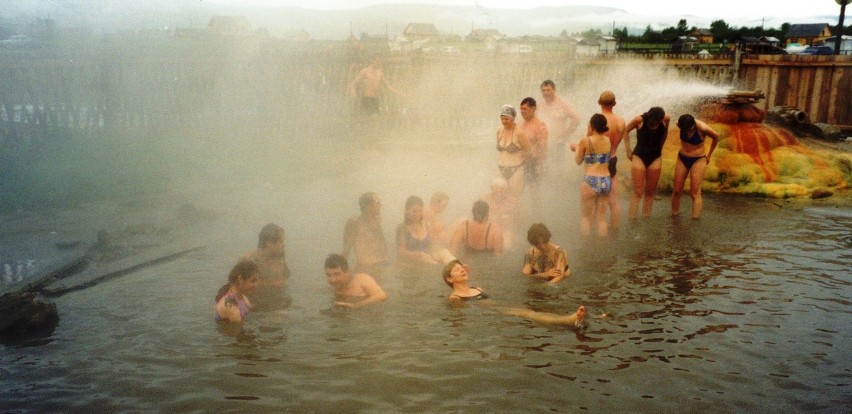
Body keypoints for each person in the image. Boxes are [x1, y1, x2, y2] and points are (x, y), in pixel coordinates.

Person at [442, 260, 587, 328]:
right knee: (529, 314)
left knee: (531, 311)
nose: (462, 270)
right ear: (449, 278)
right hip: (494, 313)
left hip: (500, 307)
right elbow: (462, 320)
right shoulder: (455, 298)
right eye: (457, 270)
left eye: (462, 268)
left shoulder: (477, 288)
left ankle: (570, 318)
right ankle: (568, 320)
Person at [623, 107, 670, 220]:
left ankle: (646, 218)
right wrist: (628, 150)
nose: (656, 123)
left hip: (655, 157)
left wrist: (661, 147)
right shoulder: (639, 120)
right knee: (638, 191)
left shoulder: (666, 119)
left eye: (658, 122)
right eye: (654, 121)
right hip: (639, 155)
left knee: (650, 192)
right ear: (649, 116)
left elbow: (665, 133)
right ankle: (632, 219)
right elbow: (625, 130)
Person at [672, 114, 720, 219]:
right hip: (682, 157)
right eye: (686, 129)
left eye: (690, 129)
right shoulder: (680, 124)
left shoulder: (702, 128)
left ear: (693, 124)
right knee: (676, 190)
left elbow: (716, 136)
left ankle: (695, 219)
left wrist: (709, 155)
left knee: (694, 192)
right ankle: (674, 216)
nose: (688, 131)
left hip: (698, 159)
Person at [574, 114, 613, 237]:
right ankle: (601, 249)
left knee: (586, 218)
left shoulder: (585, 140)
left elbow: (578, 161)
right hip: (606, 180)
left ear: (592, 126)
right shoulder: (607, 140)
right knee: (601, 218)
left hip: (591, 180)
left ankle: (586, 249)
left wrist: (576, 148)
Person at [241, 223, 291, 310]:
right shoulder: (249, 260)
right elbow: (239, 286)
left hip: (278, 301)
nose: (284, 244)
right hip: (255, 306)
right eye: (281, 241)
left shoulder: (279, 256)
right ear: (269, 243)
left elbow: (286, 276)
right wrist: (272, 284)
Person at [343, 192, 388, 275]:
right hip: (365, 269)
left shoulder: (377, 220)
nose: (380, 205)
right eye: (377, 202)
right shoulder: (354, 222)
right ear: (367, 206)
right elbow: (346, 249)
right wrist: (343, 271)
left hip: (382, 266)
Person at [538, 80, 580, 169]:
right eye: (543, 90)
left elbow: (576, 119)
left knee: (556, 169)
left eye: (548, 90)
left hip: (558, 143)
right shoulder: (540, 104)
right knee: (543, 169)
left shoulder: (562, 103)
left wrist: (565, 135)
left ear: (554, 90)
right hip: (543, 144)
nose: (545, 93)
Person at [495, 104, 531, 202]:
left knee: (514, 200)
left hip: (516, 168)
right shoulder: (499, 131)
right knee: (498, 198)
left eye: (507, 119)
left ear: (513, 118)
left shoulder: (520, 133)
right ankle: (501, 217)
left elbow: (528, 150)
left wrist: (524, 165)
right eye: (502, 118)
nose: (504, 121)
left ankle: (518, 217)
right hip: (501, 168)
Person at [518, 97, 549, 208]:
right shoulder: (520, 125)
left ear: (533, 109)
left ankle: (537, 217)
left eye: (524, 109)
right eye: (521, 109)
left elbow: (543, 146)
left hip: (534, 163)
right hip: (521, 163)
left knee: (534, 193)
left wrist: (541, 164)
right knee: (517, 192)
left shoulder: (539, 125)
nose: (522, 112)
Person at [396, 196, 440, 266]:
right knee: (435, 265)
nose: (417, 214)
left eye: (420, 211)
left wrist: (435, 254)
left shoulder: (427, 225)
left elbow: (432, 246)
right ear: (407, 211)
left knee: (444, 253)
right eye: (414, 211)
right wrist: (418, 255)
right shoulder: (402, 228)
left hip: (427, 262)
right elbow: (401, 252)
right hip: (410, 265)